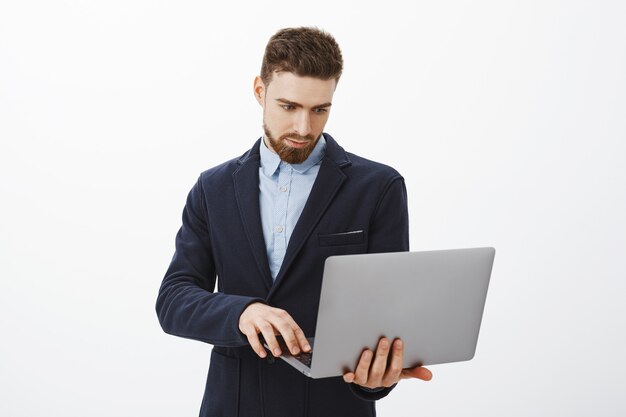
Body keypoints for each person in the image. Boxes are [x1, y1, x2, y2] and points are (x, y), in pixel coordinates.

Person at [156, 26, 432, 417]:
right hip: (234, 405)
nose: (304, 128)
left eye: (320, 109)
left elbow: (386, 320)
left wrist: (378, 380)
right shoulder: (212, 188)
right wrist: (241, 312)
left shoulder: (379, 187)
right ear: (259, 91)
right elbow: (174, 299)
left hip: (333, 406)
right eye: (289, 107)